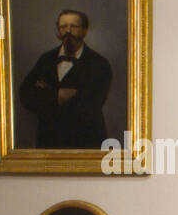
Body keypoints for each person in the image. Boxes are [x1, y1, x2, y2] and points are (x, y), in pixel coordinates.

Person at [17, 10, 112, 149]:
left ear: (85, 31)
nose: (68, 31)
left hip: (86, 144)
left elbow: (90, 107)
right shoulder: (46, 59)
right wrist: (58, 96)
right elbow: (25, 95)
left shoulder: (99, 64)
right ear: (58, 31)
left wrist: (44, 96)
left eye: (74, 26)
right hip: (48, 143)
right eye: (63, 26)